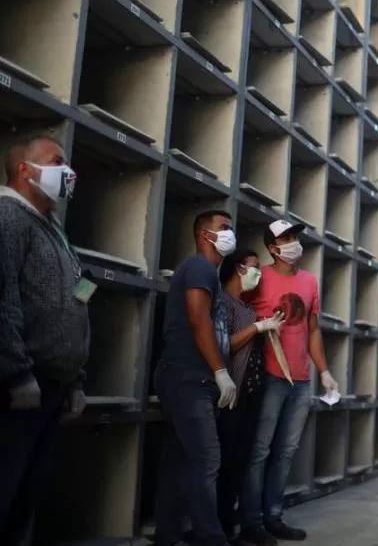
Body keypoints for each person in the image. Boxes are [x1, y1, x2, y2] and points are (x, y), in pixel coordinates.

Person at [0, 134, 90, 545]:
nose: (67, 172)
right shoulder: (8, 217)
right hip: (19, 388)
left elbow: (76, 298)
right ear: (25, 169)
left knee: (26, 496)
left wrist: (75, 378)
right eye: (57, 162)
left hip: (51, 386)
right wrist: (17, 375)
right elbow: (3, 301)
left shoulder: (53, 227)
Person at [239, 220, 338, 544]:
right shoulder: (258, 278)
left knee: (286, 451)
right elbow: (239, 316)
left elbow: (312, 330)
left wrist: (323, 371)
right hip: (269, 376)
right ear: (272, 248)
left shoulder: (309, 282)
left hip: (300, 380)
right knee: (260, 450)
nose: (294, 243)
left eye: (295, 237)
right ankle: (251, 522)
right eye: (286, 238)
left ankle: (274, 517)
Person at [153, 209, 239, 546]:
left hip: (186, 377)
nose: (230, 233)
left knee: (180, 462)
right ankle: (211, 538)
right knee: (206, 460)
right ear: (206, 234)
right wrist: (220, 372)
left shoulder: (209, 274)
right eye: (224, 228)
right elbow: (197, 318)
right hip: (189, 377)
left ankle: (167, 535)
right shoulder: (201, 267)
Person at [215, 248, 285, 542]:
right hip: (229, 397)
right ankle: (217, 527)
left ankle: (231, 525)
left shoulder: (246, 307)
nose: (259, 273)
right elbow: (223, 345)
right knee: (224, 462)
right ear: (238, 269)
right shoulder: (221, 302)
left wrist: (264, 326)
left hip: (249, 395)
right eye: (255, 267)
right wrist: (257, 327)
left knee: (240, 462)